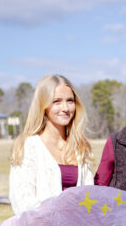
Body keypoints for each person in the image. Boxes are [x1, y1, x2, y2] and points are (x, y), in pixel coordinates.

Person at [9, 74, 94, 215]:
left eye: (70, 101)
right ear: (43, 105)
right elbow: (22, 203)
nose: (65, 108)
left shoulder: (80, 146)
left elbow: (90, 197)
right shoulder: (29, 146)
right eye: (57, 101)